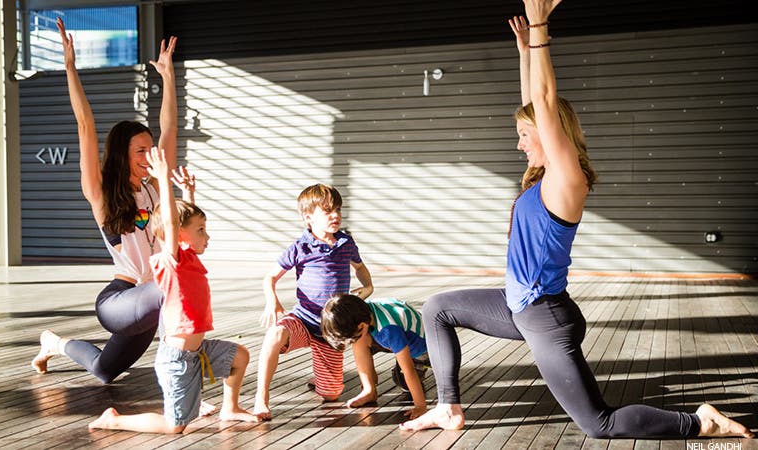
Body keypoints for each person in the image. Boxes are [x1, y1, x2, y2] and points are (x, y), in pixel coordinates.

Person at [400, 0, 754, 440]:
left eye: (525, 137)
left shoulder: (567, 181)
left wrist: (540, 27)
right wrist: (525, 50)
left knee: (597, 423)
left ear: (553, 136)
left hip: (545, 316)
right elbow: (535, 104)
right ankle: (448, 408)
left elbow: (545, 104)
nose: (519, 146)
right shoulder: (544, 175)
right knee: (437, 307)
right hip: (519, 306)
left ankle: (701, 421)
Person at [30, 18, 179, 384]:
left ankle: (53, 343)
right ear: (121, 154)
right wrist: (69, 67)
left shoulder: (155, 186)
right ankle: (181, 379)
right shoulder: (100, 192)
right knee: (174, 285)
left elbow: (171, 129)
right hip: (121, 299)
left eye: (151, 148)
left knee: (104, 371)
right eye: (140, 150)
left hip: (149, 298)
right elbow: (84, 124)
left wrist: (168, 78)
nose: (150, 154)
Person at [89, 147, 260, 433]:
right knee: (174, 426)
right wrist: (165, 183)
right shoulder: (171, 261)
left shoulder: (188, 257)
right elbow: (172, 223)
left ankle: (230, 408)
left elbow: (182, 223)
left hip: (198, 351)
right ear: (179, 235)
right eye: (201, 230)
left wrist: (189, 193)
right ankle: (114, 420)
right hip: (177, 360)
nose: (207, 235)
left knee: (240, 356)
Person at [253, 184, 374, 420]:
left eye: (338, 209)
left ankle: (320, 379)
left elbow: (360, 268)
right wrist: (272, 301)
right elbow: (270, 276)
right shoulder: (301, 247)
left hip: (332, 328)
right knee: (275, 334)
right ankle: (261, 398)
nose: (336, 215)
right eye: (328, 211)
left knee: (331, 394)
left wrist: (368, 286)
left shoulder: (346, 243)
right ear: (308, 217)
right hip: (304, 318)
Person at [321, 293, 430, 420]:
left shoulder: (389, 329)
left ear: (362, 325)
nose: (350, 342)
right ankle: (369, 390)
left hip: (423, 350)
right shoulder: (362, 310)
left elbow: (408, 370)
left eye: (349, 339)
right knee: (359, 339)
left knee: (403, 381)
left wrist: (420, 406)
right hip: (397, 338)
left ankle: (423, 368)